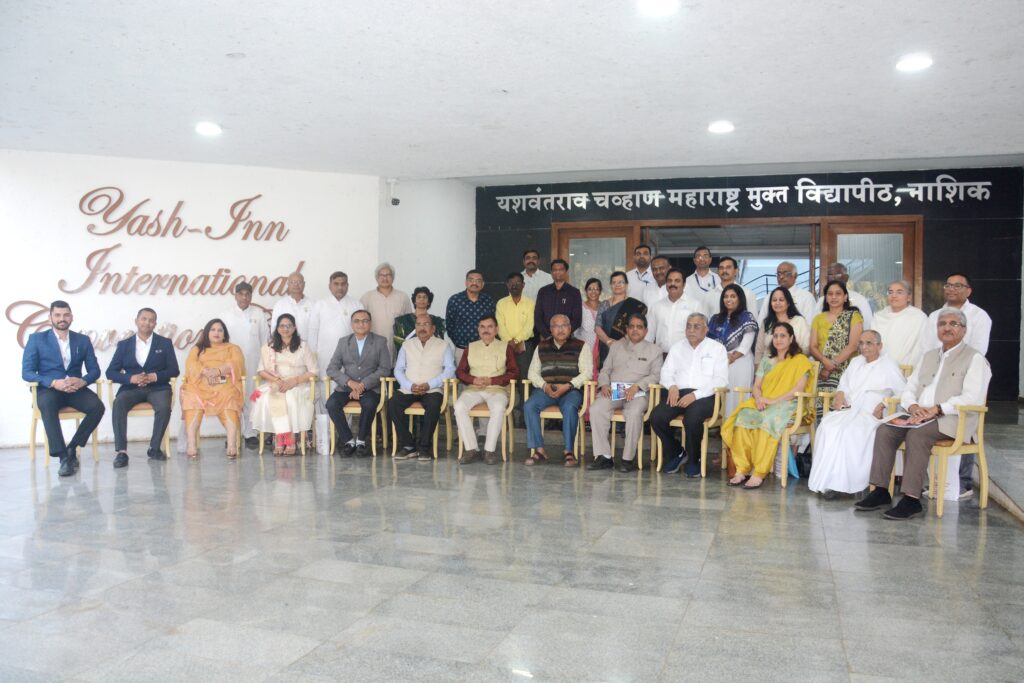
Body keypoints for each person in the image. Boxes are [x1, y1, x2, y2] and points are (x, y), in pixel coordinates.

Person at [856, 309, 991, 519]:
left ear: (963, 330)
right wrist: (912, 407)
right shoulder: (928, 356)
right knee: (885, 430)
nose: (947, 328)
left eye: (953, 324)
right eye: (942, 324)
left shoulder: (974, 358)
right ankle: (881, 490)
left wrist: (937, 409)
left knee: (916, 435)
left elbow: (973, 397)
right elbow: (910, 388)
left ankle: (911, 498)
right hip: (919, 415)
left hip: (951, 418)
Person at [809, 330, 906, 497]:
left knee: (850, 432)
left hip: (873, 414)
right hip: (851, 409)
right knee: (827, 426)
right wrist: (839, 394)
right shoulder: (855, 362)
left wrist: (883, 404)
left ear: (879, 346)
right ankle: (827, 482)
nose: (864, 347)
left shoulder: (889, 365)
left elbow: (903, 393)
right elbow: (844, 384)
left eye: (869, 343)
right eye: (861, 343)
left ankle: (848, 485)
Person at [722, 322, 813, 489]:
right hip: (764, 401)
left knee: (767, 421)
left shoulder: (801, 361)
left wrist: (771, 401)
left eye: (783, 336)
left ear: (791, 338)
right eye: (776, 336)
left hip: (788, 404)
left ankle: (759, 472)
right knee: (743, 418)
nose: (778, 339)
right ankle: (742, 469)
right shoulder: (767, 359)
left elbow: (798, 390)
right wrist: (758, 399)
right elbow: (756, 386)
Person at [21, 300, 105, 476]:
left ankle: (72, 447)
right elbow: (27, 372)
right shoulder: (36, 339)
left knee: (97, 407)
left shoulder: (82, 340)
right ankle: (63, 458)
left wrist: (82, 381)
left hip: (75, 389)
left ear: (72, 317)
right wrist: (52, 382)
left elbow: (95, 370)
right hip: (49, 389)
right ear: (50, 317)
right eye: (57, 315)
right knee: (47, 405)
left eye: (66, 315)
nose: (62, 318)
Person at [650, 313, 729, 477]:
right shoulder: (677, 347)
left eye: (697, 326)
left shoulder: (717, 349)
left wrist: (696, 395)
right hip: (678, 393)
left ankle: (695, 459)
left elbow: (721, 380)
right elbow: (666, 371)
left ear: (706, 329)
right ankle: (677, 452)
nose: (691, 330)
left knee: (692, 418)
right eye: (689, 326)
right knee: (657, 416)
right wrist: (671, 385)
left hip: (706, 396)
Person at [588, 313, 663, 472]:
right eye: (632, 327)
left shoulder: (654, 350)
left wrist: (637, 386)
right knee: (596, 409)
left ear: (646, 331)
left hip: (638, 393)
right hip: (614, 391)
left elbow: (656, 376)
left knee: (634, 412)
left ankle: (628, 459)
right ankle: (604, 456)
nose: (635, 330)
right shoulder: (616, 346)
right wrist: (604, 384)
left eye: (639, 327)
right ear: (627, 329)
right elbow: (605, 370)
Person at [106, 307, 179, 468]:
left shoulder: (165, 343)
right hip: (131, 388)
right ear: (136, 321)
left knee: (164, 407)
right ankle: (121, 452)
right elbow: (110, 372)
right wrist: (130, 378)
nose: (147, 322)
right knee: (119, 403)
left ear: (155, 324)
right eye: (144, 319)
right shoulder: (124, 345)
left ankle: (154, 448)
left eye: (151, 320)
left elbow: (174, 370)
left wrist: (155, 376)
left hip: (158, 387)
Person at [524, 314, 592, 467]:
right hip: (546, 390)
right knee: (529, 406)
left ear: (570, 328)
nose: (560, 329)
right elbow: (532, 373)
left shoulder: (581, 346)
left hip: (570, 390)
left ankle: (568, 451)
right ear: (550, 329)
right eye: (556, 326)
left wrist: (568, 386)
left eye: (564, 325)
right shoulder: (541, 346)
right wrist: (544, 386)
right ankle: (539, 450)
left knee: (569, 408)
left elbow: (587, 372)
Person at [454, 315, 519, 465]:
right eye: (482, 327)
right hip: (473, 388)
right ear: (478, 330)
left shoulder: (505, 347)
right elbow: (460, 372)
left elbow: (514, 372)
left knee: (497, 407)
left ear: (496, 330)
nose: (486, 330)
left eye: (490, 327)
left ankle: (489, 450)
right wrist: (473, 380)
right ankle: (472, 449)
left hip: (497, 389)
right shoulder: (470, 347)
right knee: (459, 406)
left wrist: (493, 381)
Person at [325, 310, 392, 456]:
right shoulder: (344, 342)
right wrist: (349, 382)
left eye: (365, 320)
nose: (361, 324)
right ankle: (348, 440)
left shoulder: (380, 341)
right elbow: (331, 368)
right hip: (346, 388)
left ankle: (361, 441)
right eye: (357, 321)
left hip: (370, 388)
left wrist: (363, 385)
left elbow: (385, 368)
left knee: (369, 404)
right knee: (331, 404)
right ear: (351, 324)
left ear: (370, 323)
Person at [251, 314, 319, 456]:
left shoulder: (302, 346)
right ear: (277, 328)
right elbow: (261, 370)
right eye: (282, 326)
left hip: (299, 383)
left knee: (290, 398)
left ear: (294, 328)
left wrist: (294, 381)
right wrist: (277, 381)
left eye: (289, 326)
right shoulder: (269, 346)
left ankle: (290, 439)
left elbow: (314, 371)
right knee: (266, 399)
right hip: (277, 382)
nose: (285, 329)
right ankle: (280, 439)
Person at [391, 314, 455, 461]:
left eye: (426, 324)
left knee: (433, 405)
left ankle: (425, 447)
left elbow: (450, 370)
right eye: (419, 324)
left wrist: (430, 384)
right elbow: (398, 369)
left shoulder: (442, 345)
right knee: (393, 404)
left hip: (432, 389)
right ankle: (408, 446)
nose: (422, 328)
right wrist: (409, 385)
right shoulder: (407, 345)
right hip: (409, 388)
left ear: (433, 328)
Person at [180, 319, 246, 459]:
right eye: (213, 329)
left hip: (224, 383)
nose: (216, 333)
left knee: (229, 397)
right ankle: (191, 444)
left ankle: (232, 444)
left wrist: (218, 370)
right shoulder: (197, 349)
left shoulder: (232, 348)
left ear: (224, 334)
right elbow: (191, 364)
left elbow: (237, 363)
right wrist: (204, 371)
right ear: (207, 332)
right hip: (200, 383)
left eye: (220, 330)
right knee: (191, 397)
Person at [219, 281, 269, 448]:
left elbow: (265, 341)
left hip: (254, 363)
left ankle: (250, 433)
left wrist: (264, 365)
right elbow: (221, 341)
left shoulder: (259, 314)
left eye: (247, 294)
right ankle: (232, 434)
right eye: (241, 294)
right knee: (232, 399)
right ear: (235, 295)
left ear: (251, 296)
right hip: (231, 365)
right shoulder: (226, 315)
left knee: (252, 398)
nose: (244, 297)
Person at [707, 284, 759, 418]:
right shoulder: (715, 319)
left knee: (738, 397)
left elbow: (746, 343)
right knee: (723, 397)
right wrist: (720, 359)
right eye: (725, 296)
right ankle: (724, 432)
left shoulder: (747, 317)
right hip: (720, 364)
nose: (728, 299)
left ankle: (739, 433)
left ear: (740, 299)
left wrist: (732, 357)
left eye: (733, 296)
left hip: (740, 362)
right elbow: (709, 342)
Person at [809, 280, 864, 400]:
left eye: (838, 293)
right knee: (821, 405)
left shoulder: (854, 316)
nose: (833, 297)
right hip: (822, 369)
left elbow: (853, 346)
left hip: (847, 368)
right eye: (830, 294)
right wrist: (825, 362)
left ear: (845, 297)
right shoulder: (818, 319)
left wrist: (832, 364)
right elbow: (812, 347)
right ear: (826, 298)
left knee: (842, 404)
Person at [920, 273, 991, 357]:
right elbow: (926, 347)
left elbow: (979, 350)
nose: (951, 289)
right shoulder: (934, 316)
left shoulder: (979, 315)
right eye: (948, 285)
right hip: (936, 366)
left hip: (965, 367)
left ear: (968, 291)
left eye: (957, 286)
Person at [308, 271, 361, 382]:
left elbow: (362, 331)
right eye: (336, 284)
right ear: (329, 286)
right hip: (325, 354)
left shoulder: (356, 305)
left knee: (348, 384)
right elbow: (313, 332)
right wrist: (313, 356)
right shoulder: (320, 305)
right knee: (325, 383)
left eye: (343, 284)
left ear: (347, 286)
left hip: (350, 354)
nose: (340, 287)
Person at [594, 271, 648, 367]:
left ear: (626, 285)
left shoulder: (633, 305)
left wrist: (620, 344)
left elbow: (635, 328)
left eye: (620, 282)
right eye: (614, 283)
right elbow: (597, 327)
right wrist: (609, 342)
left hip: (627, 347)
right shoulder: (604, 304)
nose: (617, 285)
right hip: (606, 347)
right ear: (611, 285)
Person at [360, 262, 413, 358]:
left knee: (394, 370)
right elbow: (360, 323)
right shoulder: (367, 297)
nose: (385, 278)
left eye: (388, 275)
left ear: (393, 277)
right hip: (372, 346)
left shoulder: (402, 297)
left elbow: (409, 323)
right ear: (377, 277)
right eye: (381, 275)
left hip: (396, 347)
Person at [873, 280, 929, 369]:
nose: (894, 296)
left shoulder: (919, 317)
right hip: (879, 369)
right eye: (890, 292)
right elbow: (872, 344)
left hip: (907, 370)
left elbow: (922, 347)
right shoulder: (879, 316)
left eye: (899, 292)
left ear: (909, 297)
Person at [445, 269, 496, 364]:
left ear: (483, 284)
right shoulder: (455, 300)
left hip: (485, 349)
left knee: (483, 377)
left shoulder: (488, 300)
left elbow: (493, 323)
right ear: (466, 282)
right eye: (471, 280)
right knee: (461, 377)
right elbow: (449, 325)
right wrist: (459, 343)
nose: (474, 283)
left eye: (478, 281)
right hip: (462, 350)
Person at [754, 287, 810, 365]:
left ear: (788, 303)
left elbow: (807, 348)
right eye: (774, 300)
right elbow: (759, 350)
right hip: (769, 369)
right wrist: (757, 369)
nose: (777, 303)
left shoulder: (799, 321)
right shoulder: (767, 323)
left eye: (781, 300)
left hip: (793, 368)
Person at [647, 268, 696, 354]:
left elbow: (699, 335)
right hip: (661, 356)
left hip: (686, 355)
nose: (672, 284)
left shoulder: (695, 306)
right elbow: (649, 335)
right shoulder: (656, 307)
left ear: (684, 284)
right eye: (669, 281)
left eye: (677, 281)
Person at [815, 263, 874, 329]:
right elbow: (814, 326)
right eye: (830, 275)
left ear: (846, 278)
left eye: (837, 275)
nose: (833, 278)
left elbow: (867, 326)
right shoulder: (821, 301)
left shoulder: (859, 300)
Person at [534, 258, 582, 338]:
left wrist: (564, 334)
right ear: (551, 272)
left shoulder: (574, 292)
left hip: (567, 337)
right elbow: (538, 318)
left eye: (561, 269)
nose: (557, 272)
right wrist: (547, 335)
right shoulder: (543, 292)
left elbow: (577, 319)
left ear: (566, 272)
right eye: (554, 270)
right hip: (546, 337)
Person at [702, 256, 758, 320]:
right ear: (717, 272)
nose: (724, 270)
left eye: (728, 267)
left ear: (736, 271)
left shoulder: (747, 293)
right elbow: (703, 321)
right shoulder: (709, 295)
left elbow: (753, 320)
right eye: (721, 268)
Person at [393, 286, 446, 352]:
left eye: (425, 297)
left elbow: (440, 342)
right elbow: (399, 345)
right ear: (414, 301)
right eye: (419, 297)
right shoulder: (402, 321)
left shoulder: (437, 321)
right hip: (410, 357)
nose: (422, 299)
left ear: (429, 302)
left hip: (431, 356)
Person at [271, 272, 313, 340]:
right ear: (288, 285)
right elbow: (274, 329)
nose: (296, 284)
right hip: (285, 348)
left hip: (308, 348)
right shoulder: (280, 304)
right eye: (292, 282)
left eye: (299, 282)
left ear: (304, 284)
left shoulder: (313, 304)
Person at [576, 278, 602, 374]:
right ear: (586, 291)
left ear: (600, 291)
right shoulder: (580, 307)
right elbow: (575, 331)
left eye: (596, 289)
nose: (593, 292)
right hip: (584, 349)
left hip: (601, 349)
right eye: (590, 289)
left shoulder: (605, 307)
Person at [684, 246, 722, 312]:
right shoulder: (687, 281)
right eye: (698, 256)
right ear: (694, 260)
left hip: (715, 319)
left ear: (710, 259)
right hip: (694, 319)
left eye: (705, 256)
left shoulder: (719, 279)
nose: (702, 259)